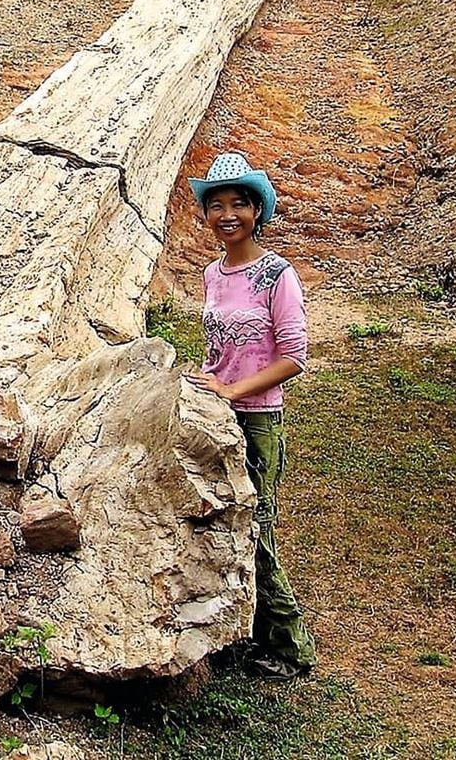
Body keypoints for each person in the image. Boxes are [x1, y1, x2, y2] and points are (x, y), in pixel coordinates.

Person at [183, 151, 318, 682]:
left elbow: (293, 356)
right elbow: (219, 347)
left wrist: (234, 388)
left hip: (257, 419)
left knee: (255, 530)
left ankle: (290, 647)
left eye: (240, 202)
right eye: (217, 205)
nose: (228, 214)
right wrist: (205, 379)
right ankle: (240, 631)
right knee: (219, 526)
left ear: (258, 210)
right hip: (215, 415)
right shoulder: (214, 274)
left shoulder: (276, 275)